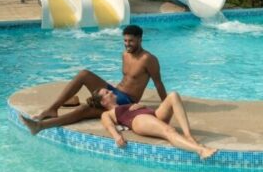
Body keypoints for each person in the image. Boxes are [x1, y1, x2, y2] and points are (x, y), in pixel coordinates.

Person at [20, 24, 167, 135]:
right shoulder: (125, 54)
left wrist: (163, 110)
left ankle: (40, 126)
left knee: (84, 109)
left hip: (126, 101)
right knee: (84, 74)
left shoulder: (148, 59)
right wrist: (107, 92)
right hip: (115, 91)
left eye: (131, 41)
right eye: (125, 40)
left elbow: (159, 84)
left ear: (140, 39)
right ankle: (52, 109)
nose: (127, 44)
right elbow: (127, 78)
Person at [89, 87, 217, 160]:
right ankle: (200, 150)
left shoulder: (123, 105)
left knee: (173, 95)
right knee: (169, 130)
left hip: (152, 114)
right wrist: (116, 136)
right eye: (107, 93)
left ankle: (188, 135)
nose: (111, 92)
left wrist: (141, 105)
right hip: (138, 120)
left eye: (108, 91)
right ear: (103, 102)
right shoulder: (107, 113)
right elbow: (108, 125)